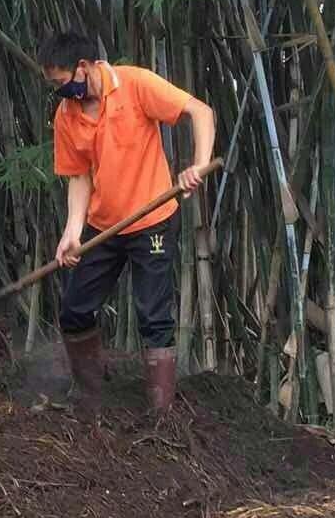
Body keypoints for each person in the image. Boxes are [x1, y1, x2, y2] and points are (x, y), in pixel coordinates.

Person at [38, 28, 215, 411]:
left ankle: (160, 414)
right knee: (75, 309)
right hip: (104, 228)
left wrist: (198, 166)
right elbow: (79, 175)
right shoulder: (66, 115)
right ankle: (92, 400)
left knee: (153, 316)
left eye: (60, 83)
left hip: (152, 220)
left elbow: (200, 112)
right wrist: (72, 231)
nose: (59, 92)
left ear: (83, 68)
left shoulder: (134, 85)